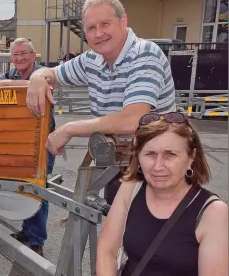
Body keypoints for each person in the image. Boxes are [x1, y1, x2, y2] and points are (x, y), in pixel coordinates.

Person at [25, 0, 176, 205]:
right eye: (91, 28)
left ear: (123, 21)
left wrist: (69, 129)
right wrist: (37, 77)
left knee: (148, 234)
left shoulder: (144, 54)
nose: (98, 34)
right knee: (118, 229)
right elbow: (53, 74)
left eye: (105, 24)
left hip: (159, 167)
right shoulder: (92, 60)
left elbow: (133, 120)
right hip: (120, 160)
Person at [96, 112, 228, 275]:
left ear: (191, 157)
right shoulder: (132, 188)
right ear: (138, 156)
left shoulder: (212, 212)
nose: (158, 166)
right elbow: (107, 250)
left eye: (170, 155)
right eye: (150, 154)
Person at [0, 38, 55, 256]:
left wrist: (4, 84)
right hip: (21, 141)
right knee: (23, 186)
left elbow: (38, 84)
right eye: (15, 55)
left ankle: (37, 240)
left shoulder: (43, 72)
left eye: (24, 53)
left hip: (43, 141)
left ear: (33, 56)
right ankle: (27, 231)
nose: (19, 58)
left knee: (38, 188)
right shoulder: (11, 74)